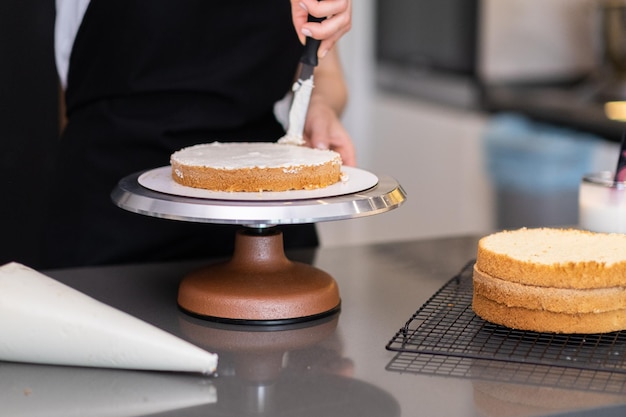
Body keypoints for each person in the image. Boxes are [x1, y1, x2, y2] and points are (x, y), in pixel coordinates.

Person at [40, 0, 355, 269]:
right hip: (112, 211)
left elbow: (325, 72)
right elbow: (70, 93)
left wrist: (320, 107)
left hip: (263, 218)